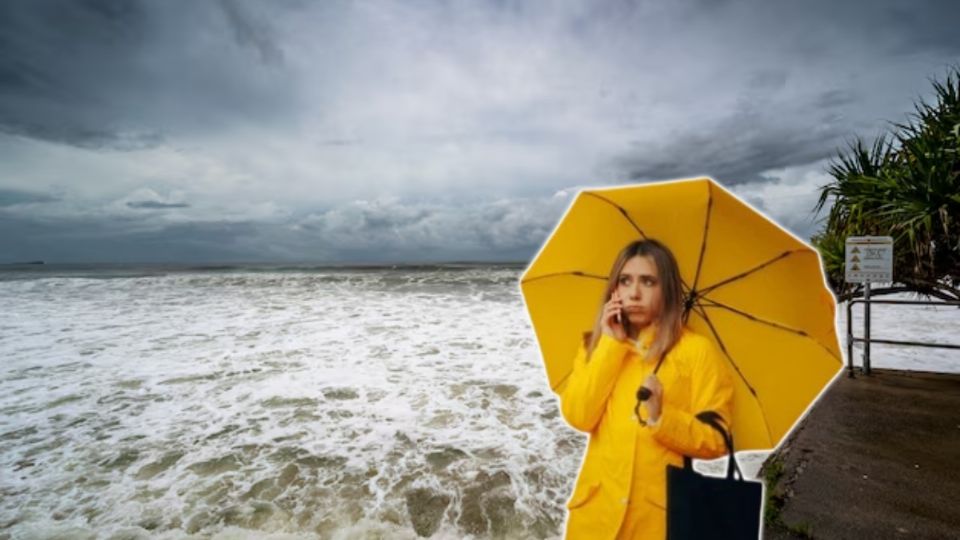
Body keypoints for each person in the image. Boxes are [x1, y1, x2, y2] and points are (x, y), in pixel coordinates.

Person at [558, 238, 735, 539]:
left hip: (658, 523)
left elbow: (718, 438)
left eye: (648, 282)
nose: (634, 293)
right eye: (625, 281)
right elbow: (579, 415)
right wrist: (611, 346)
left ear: (666, 289)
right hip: (594, 521)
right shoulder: (595, 345)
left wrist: (662, 418)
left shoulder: (697, 351)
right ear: (614, 288)